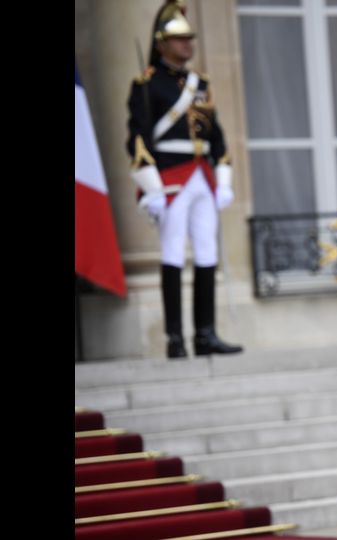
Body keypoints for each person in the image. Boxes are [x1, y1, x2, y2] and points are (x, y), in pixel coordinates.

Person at [125, 0, 242, 359]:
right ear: (161, 44)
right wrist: (151, 187)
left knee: (207, 251)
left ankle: (206, 334)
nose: (188, 44)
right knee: (173, 252)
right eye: (180, 39)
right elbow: (138, 138)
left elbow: (216, 135)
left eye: (190, 38)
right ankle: (175, 338)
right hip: (170, 177)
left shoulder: (200, 84)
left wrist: (223, 179)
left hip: (202, 175)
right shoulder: (147, 84)